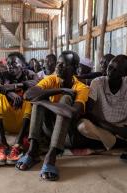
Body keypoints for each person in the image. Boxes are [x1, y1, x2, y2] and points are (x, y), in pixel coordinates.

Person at [16, 51, 90, 181]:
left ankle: (51, 155)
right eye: (58, 63)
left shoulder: (81, 87)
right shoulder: (51, 79)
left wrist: (42, 101)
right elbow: (28, 95)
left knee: (65, 99)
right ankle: (33, 151)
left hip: (66, 135)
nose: (58, 67)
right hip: (48, 130)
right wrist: (59, 90)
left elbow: (72, 113)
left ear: (74, 68)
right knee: (39, 98)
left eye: (64, 64)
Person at [0, 52, 39, 166]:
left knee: (31, 94)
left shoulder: (30, 74)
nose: (10, 66)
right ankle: (1, 139)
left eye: (14, 63)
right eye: (8, 64)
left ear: (22, 65)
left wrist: (15, 86)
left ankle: (18, 143)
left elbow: (37, 83)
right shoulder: (3, 75)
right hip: (6, 119)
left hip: (24, 121)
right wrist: (8, 93)